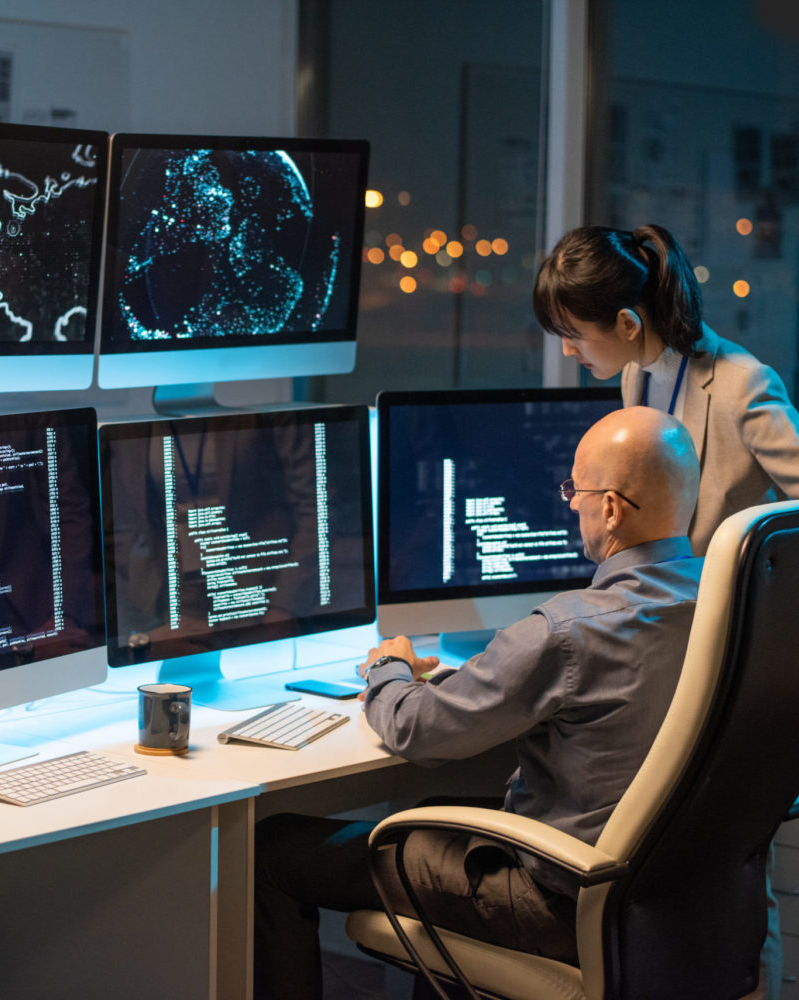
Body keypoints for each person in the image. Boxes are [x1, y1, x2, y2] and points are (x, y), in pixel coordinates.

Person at [254, 406, 705, 1000]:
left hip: (561, 901)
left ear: (613, 508)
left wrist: (387, 666)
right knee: (435, 810)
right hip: (677, 902)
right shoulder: (732, 604)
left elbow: (419, 729)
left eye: (576, 490)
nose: (570, 504)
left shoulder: (570, 631)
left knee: (271, 848)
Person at [533, 223, 799, 556]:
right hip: (662, 588)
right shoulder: (635, 372)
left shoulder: (743, 384)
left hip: (724, 594)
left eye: (573, 335)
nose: (567, 351)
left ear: (628, 324)